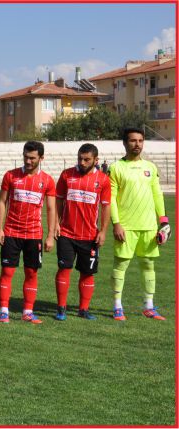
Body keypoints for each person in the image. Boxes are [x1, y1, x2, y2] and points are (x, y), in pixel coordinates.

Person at [109, 127, 169, 320]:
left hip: (149, 226)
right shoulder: (116, 168)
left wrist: (163, 220)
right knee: (121, 265)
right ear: (125, 143)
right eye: (133, 140)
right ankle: (117, 306)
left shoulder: (150, 167)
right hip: (126, 226)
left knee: (148, 265)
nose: (137, 144)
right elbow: (110, 198)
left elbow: (157, 194)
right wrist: (116, 223)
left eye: (140, 140)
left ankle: (149, 306)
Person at [0, 141, 56, 324]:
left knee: (31, 273)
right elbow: (2, 202)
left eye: (32, 158)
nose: (28, 161)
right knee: (7, 272)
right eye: (25, 157)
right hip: (11, 232)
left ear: (41, 158)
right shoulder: (11, 176)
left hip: (34, 234)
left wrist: (50, 235)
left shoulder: (47, 180)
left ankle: (27, 312)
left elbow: (51, 209)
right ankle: (3, 311)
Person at [53, 143, 110, 321]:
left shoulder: (103, 180)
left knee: (87, 272)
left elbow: (106, 207)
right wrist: (56, 223)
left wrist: (103, 231)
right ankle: (61, 308)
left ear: (96, 160)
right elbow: (58, 200)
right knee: (64, 269)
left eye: (87, 159)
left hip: (90, 236)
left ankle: (83, 309)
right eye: (80, 159)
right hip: (66, 233)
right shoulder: (66, 175)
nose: (82, 162)